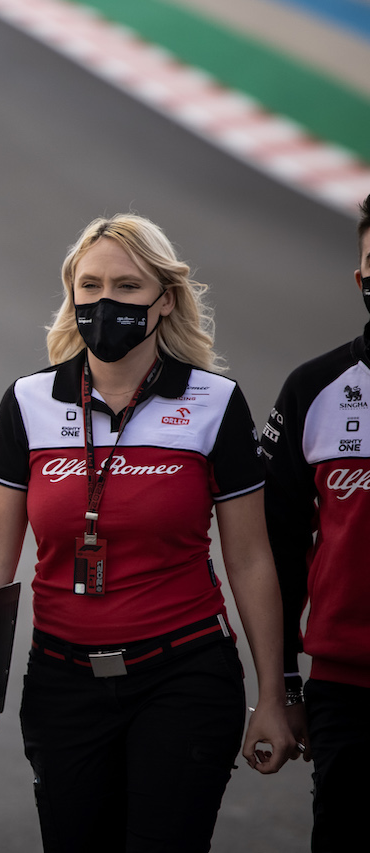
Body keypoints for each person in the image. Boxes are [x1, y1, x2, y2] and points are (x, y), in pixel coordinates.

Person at [0, 214, 294, 852]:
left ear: (166, 299)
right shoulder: (28, 402)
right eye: (91, 286)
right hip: (62, 682)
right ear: (72, 295)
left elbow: (249, 559)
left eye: (128, 287)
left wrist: (273, 693)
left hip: (184, 675)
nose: (106, 302)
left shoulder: (215, 402)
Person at [262, 193, 370, 853]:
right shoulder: (315, 388)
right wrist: (282, 685)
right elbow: (274, 550)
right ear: (361, 277)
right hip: (348, 692)